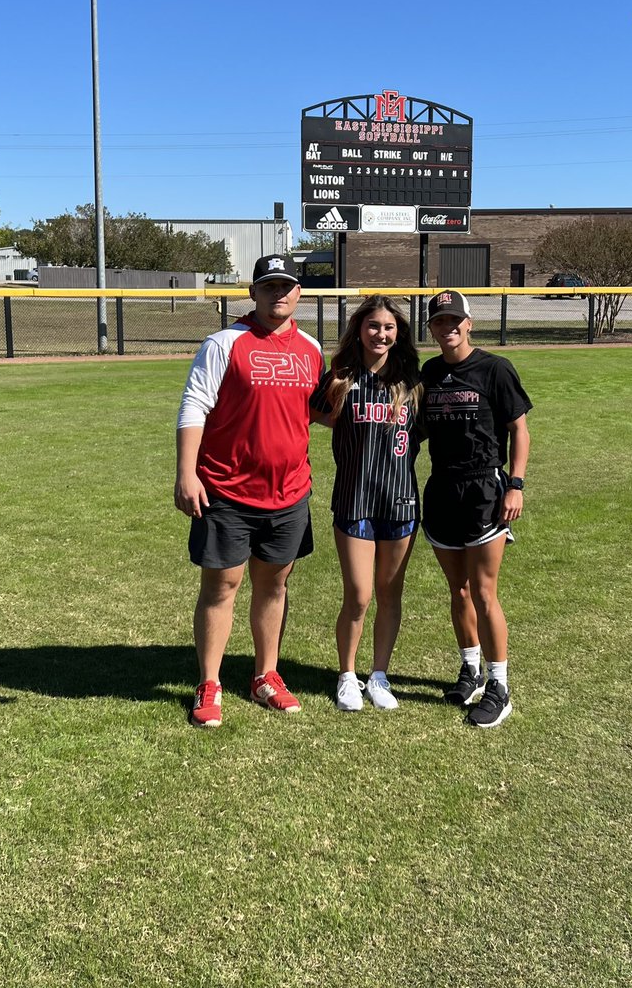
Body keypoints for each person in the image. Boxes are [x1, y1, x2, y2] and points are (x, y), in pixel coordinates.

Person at [174, 254, 325, 729]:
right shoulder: (225, 343)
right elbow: (194, 403)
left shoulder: (312, 348)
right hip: (226, 489)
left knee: (274, 584)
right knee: (222, 586)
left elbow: (317, 411)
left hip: (289, 492)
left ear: (298, 292)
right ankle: (210, 682)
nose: (279, 294)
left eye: (287, 286)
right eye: (269, 286)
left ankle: (265, 675)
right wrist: (186, 472)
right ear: (254, 292)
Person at [421, 289, 532, 729]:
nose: (448, 328)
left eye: (454, 320)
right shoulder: (429, 373)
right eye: (439, 322)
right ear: (431, 328)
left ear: (469, 323)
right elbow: (416, 430)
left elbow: (519, 429)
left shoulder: (494, 368)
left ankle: (499, 685)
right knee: (460, 591)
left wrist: (516, 486)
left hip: (485, 487)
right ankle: (469, 669)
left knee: (484, 592)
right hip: (442, 488)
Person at [310, 296, 423, 712]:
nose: (381, 333)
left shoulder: (412, 380)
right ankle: (347, 676)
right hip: (354, 502)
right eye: (373, 325)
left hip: (401, 502)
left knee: (390, 593)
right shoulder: (340, 377)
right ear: (359, 329)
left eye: (389, 327)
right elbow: (306, 415)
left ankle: (378, 675)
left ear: (399, 333)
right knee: (358, 595)